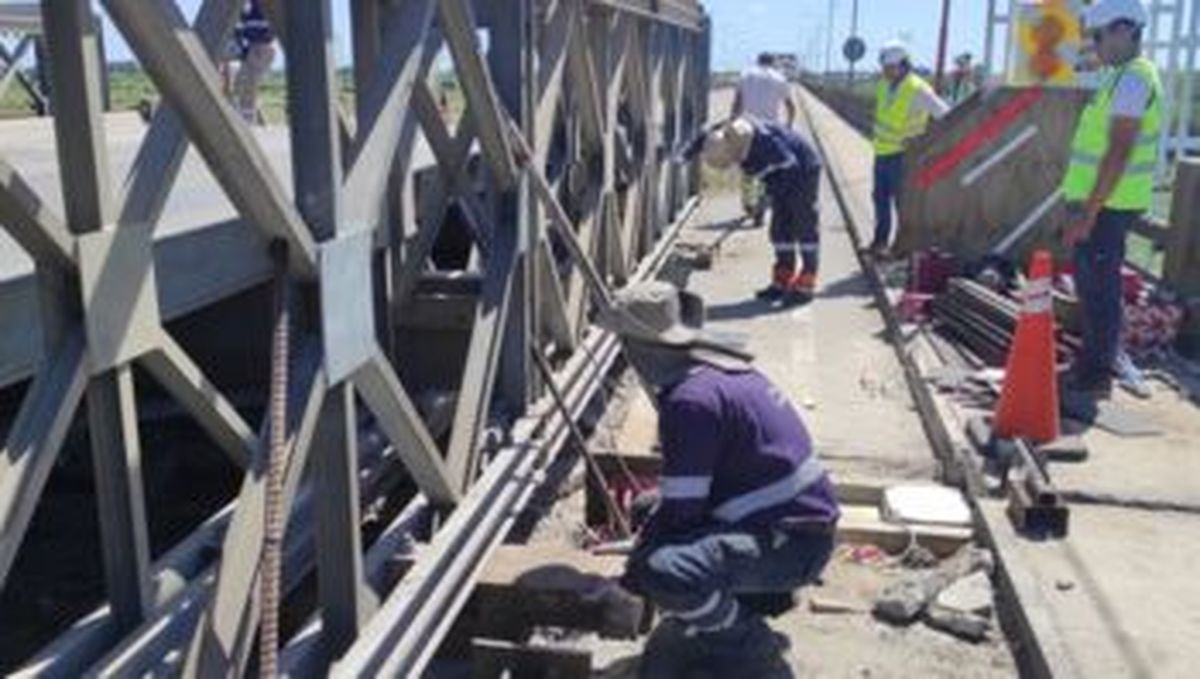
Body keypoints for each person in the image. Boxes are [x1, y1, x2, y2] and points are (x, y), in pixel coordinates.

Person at [597, 281, 840, 678]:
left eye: (625, 340)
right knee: (647, 512)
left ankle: (752, 646)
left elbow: (682, 515)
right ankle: (735, 606)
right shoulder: (714, 372)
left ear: (641, 346)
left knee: (664, 570)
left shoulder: (690, 402)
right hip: (791, 523)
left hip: (795, 545)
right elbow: (683, 502)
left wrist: (633, 580)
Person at [1060, 0, 1161, 399]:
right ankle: (1096, 361)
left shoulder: (1134, 79)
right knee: (1093, 285)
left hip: (1107, 206)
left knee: (1100, 289)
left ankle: (1095, 375)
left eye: (1098, 36)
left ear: (1125, 30)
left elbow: (1118, 152)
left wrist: (1088, 212)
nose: (1094, 45)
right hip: (1100, 204)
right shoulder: (1118, 77)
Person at [683, 117, 822, 303]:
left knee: (803, 224)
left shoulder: (765, 144)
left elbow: (791, 166)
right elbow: (705, 135)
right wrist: (687, 153)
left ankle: (806, 284)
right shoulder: (727, 135)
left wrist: (769, 196)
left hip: (804, 170)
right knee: (780, 230)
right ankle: (782, 281)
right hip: (781, 174)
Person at [869, 40, 950, 256]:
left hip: (904, 157)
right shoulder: (884, 85)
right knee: (880, 200)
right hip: (882, 153)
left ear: (903, 65)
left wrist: (924, 142)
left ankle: (902, 247)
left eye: (890, 68)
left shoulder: (918, 89)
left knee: (903, 204)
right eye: (884, 68)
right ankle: (879, 243)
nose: (885, 72)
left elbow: (945, 116)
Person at [732, 53, 798, 226]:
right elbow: (790, 107)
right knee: (766, 171)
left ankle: (748, 203)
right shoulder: (779, 78)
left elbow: (737, 103)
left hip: (747, 129)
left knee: (747, 170)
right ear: (773, 63)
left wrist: (731, 124)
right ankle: (761, 204)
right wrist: (788, 127)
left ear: (758, 61)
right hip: (770, 131)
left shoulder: (745, 75)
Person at [233, 0, 276, 125]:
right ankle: (251, 118)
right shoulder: (245, 9)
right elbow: (240, 28)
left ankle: (248, 119)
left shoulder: (258, 7)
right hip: (253, 47)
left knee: (250, 82)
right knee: (241, 83)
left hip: (262, 46)